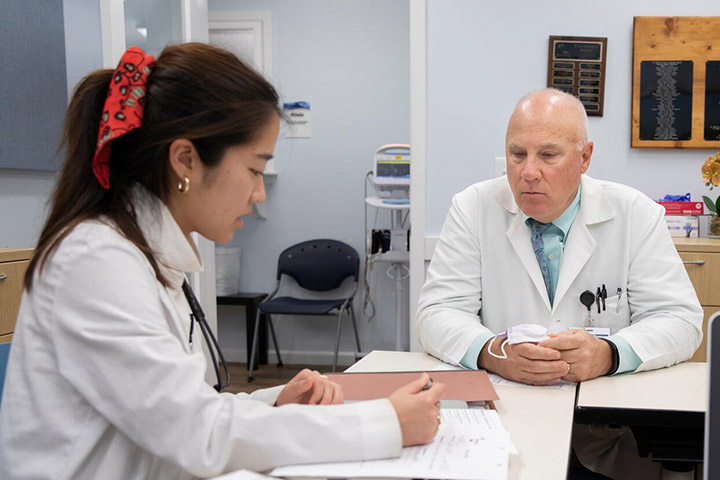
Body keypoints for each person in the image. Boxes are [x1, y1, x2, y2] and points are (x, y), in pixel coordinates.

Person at [0, 43, 445, 480]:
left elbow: (185, 409)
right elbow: (197, 434)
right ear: (186, 160)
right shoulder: (95, 263)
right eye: (255, 169)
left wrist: (274, 404)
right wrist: (386, 424)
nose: (259, 193)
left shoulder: (143, 255)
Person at [416, 88, 702, 479]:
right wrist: (490, 350)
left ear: (584, 157)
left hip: (607, 434)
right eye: (517, 154)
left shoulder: (635, 213)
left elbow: (680, 320)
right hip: (501, 423)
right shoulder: (473, 207)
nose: (528, 171)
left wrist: (610, 353)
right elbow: (437, 312)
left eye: (548, 155)